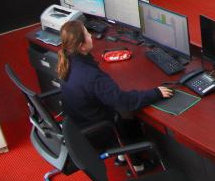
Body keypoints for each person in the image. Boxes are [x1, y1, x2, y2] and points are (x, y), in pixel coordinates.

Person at [57, 20, 173, 167]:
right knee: (131, 120)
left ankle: (122, 155)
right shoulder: (91, 76)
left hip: (80, 123)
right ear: (81, 46)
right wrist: (156, 93)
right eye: (87, 34)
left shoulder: (68, 61)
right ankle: (137, 165)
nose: (91, 36)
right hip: (99, 130)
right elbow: (123, 102)